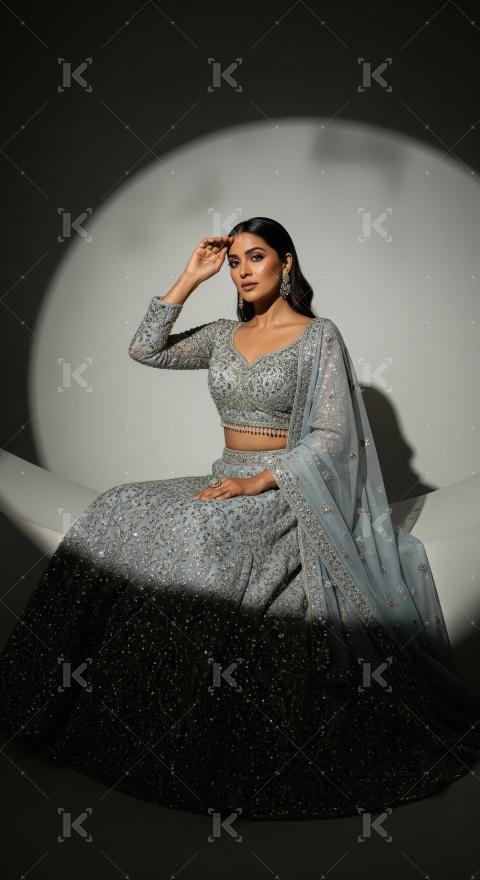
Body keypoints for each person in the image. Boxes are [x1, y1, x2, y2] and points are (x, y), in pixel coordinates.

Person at [0, 216, 479, 822]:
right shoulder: (224, 335)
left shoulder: (317, 337)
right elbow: (144, 349)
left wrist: (262, 478)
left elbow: (333, 437)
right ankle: (52, 701)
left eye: (256, 257)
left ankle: (182, 722)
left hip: (284, 487)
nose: (243, 270)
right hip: (224, 474)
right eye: (235, 261)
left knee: (203, 531)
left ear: (287, 264)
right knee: (116, 505)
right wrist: (189, 277)